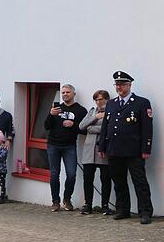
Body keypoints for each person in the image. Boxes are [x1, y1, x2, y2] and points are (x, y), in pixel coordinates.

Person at [98, 71, 154, 224]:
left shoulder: (141, 103)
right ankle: (123, 209)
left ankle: (145, 212)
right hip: (114, 150)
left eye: (122, 84)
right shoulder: (111, 103)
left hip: (134, 151)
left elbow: (147, 128)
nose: (119, 87)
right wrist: (102, 146)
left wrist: (146, 149)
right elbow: (105, 126)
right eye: (117, 84)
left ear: (129, 85)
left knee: (140, 182)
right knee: (119, 181)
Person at [45, 84, 88, 212]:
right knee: (54, 174)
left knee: (71, 174)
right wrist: (50, 114)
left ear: (74, 94)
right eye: (63, 92)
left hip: (69, 146)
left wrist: (73, 125)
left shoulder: (81, 110)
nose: (65, 94)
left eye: (67, 92)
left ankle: (67, 199)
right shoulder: (56, 109)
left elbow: (85, 130)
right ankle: (55, 201)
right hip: (53, 145)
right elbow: (46, 126)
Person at [78, 90, 114, 215]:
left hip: (102, 150)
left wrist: (91, 128)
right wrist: (95, 118)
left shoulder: (111, 111)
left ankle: (105, 205)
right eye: (96, 100)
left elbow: (109, 128)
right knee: (88, 178)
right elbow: (81, 126)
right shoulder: (92, 111)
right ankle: (88, 204)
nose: (98, 102)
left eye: (101, 99)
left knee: (105, 178)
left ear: (107, 99)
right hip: (89, 151)